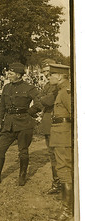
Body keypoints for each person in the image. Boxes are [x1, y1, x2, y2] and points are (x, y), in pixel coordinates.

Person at [0, 62, 41, 186]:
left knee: (23, 151)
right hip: (9, 124)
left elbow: (40, 102)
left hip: (24, 124)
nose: (8, 75)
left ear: (19, 75)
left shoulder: (29, 88)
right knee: (0, 148)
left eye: (11, 73)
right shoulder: (6, 87)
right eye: (8, 73)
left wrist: (30, 111)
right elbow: (2, 107)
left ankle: (22, 176)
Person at [47, 64, 73, 221]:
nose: (48, 77)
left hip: (64, 136)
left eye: (51, 74)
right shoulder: (62, 91)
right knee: (64, 170)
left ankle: (66, 211)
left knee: (64, 170)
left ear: (60, 76)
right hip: (60, 135)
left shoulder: (65, 92)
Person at [38, 59, 61, 194]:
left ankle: (60, 183)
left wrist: (41, 98)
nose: (46, 74)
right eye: (44, 72)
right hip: (48, 123)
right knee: (52, 154)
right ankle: (56, 182)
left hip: (55, 123)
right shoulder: (48, 85)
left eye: (48, 71)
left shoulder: (57, 86)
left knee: (57, 154)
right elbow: (43, 100)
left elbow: (47, 100)